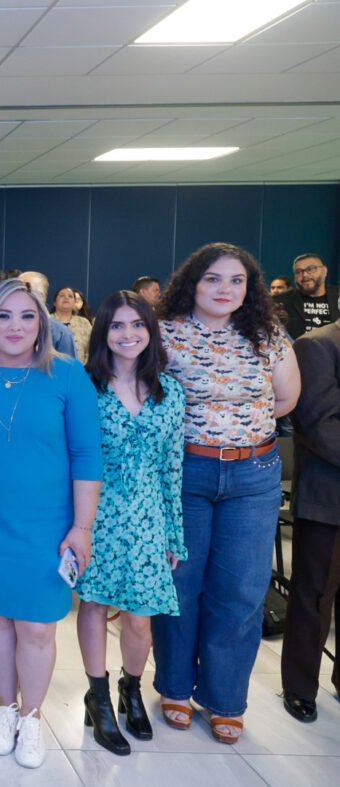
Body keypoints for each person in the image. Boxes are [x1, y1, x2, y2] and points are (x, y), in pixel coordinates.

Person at [153, 242, 300, 744]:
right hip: (184, 474)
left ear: (249, 288)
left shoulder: (267, 334)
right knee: (179, 584)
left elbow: (285, 398)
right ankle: (174, 688)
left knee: (239, 590)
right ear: (192, 282)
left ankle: (224, 699)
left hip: (252, 477)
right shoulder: (164, 332)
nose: (224, 289)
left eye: (236, 280)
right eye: (214, 279)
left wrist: (237, 432)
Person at [0, 277, 101, 769]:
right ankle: (5, 708)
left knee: (38, 628)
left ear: (42, 322)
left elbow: (86, 454)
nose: (15, 326)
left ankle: (33, 718)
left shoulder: (66, 375)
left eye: (26, 315)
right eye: (3, 315)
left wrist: (82, 527)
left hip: (48, 526)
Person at [75, 291, 186, 756]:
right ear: (103, 333)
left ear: (150, 331)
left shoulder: (170, 391)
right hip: (96, 515)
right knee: (95, 607)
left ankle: (131, 688)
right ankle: (97, 696)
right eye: (117, 326)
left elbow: (172, 466)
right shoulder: (85, 387)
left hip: (148, 519)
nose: (128, 335)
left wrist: (174, 533)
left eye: (137, 325)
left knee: (141, 619)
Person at [281, 317, 340, 723]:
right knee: (314, 596)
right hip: (327, 497)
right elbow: (320, 426)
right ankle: (301, 686)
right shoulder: (317, 345)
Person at [275, 253, 338, 338]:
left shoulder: (337, 295)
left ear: (324, 271)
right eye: (299, 272)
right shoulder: (280, 301)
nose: (305, 275)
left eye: (311, 269)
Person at [19, 271, 78, 357]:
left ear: (40, 295)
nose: (16, 294)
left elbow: (69, 367)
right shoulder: (5, 328)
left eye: (23, 289)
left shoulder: (61, 333)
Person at [53, 286, 93, 363]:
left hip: (81, 370)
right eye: (62, 295)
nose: (66, 298)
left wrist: (84, 368)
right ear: (54, 303)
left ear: (74, 303)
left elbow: (91, 348)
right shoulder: (47, 322)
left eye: (70, 296)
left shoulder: (84, 323)